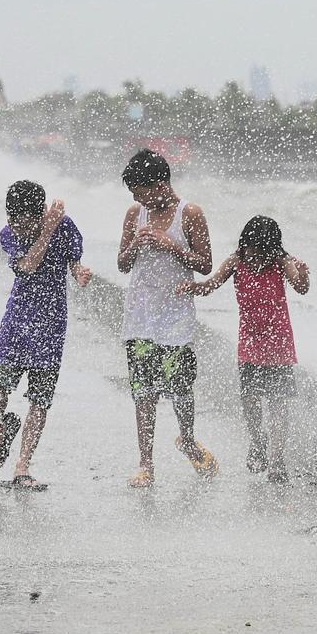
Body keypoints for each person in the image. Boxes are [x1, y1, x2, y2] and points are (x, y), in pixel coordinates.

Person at [179, 215, 309, 484]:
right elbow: (210, 285)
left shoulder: (281, 261)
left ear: (271, 248)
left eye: (259, 251)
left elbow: (301, 287)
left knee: (277, 403)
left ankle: (276, 460)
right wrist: (193, 287)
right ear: (244, 243)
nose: (253, 255)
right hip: (249, 342)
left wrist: (304, 274)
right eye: (249, 248)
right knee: (250, 399)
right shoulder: (236, 261)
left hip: (279, 343)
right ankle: (257, 440)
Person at [0, 180, 91, 489]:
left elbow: (73, 260)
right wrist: (45, 231)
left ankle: (23, 465)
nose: (16, 225)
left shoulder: (64, 226)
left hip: (51, 326)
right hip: (17, 321)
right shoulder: (8, 235)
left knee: (40, 399)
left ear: (41, 213)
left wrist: (79, 270)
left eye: (23, 219)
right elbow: (28, 266)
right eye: (11, 218)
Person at [118, 149, 217, 487]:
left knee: (181, 389)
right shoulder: (135, 213)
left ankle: (187, 439)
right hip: (140, 318)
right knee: (142, 391)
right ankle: (146, 464)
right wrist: (134, 245)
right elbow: (122, 264)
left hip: (176, 318)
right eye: (133, 193)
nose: (136, 198)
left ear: (159, 183)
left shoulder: (190, 214)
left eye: (140, 191)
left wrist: (169, 244)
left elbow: (204, 264)